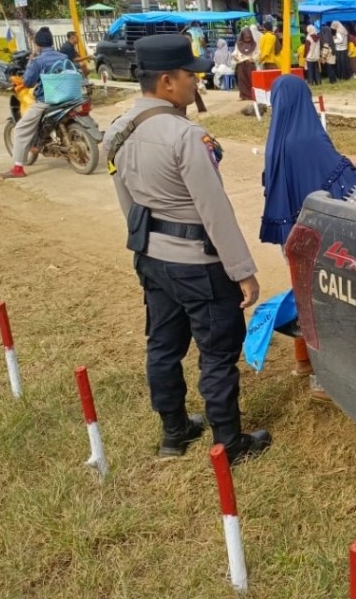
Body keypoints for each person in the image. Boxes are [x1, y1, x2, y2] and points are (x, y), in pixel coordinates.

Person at [103, 34, 270, 465]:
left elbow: (129, 204)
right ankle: (229, 444)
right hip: (198, 263)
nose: (197, 83)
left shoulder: (119, 130)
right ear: (166, 81)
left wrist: (150, 244)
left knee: (163, 345)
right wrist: (242, 270)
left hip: (152, 259)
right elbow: (214, 209)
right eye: (190, 76)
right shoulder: (186, 136)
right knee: (217, 353)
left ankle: (174, 434)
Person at [260, 74, 356, 399]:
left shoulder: (276, 138)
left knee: (303, 294)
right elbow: (340, 179)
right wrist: (355, 165)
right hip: (319, 237)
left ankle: (303, 362)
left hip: (289, 235)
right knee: (325, 301)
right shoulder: (310, 138)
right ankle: (323, 377)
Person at [0, 27, 74, 179]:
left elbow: (27, 82)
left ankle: (18, 168)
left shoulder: (38, 60)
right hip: (70, 96)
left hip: (48, 101)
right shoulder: (64, 56)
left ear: (37, 44)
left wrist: (30, 62)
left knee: (20, 129)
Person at [232, 27, 258, 100]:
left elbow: (258, 53)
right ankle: (243, 95)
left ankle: (252, 95)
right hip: (241, 63)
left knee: (251, 79)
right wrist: (235, 56)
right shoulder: (238, 44)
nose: (248, 39)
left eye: (249, 37)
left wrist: (253, 58)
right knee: (242, 79)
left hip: (250, 64)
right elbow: (235, 52)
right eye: (246, 37)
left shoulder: (254, 44)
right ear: (243, 36)